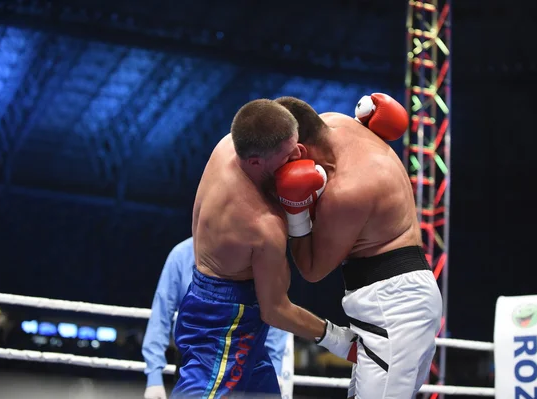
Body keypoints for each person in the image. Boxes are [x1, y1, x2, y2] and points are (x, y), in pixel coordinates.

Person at [171, 99, 357, 398]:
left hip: (216, 299)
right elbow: (275, 310)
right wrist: (339, 339)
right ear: (256, 162)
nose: (299, 155)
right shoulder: (260, 226)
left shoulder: (229, 146)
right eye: (287, 156)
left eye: (296, 144)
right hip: (225, 323)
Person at [274, 94, 443, 399]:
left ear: (299, 149)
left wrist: (295, 210)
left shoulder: (348, 191)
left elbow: (312, 270)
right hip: (399, 302)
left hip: (394, 309)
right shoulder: (335, 122)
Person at [141, 237, 294, 399]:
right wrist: (154, 377)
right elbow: (161, 315)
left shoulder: (253, 251)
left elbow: (273, 309)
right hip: (195, 360)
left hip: (246, 356)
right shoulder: (181, 254)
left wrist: (276, 368)